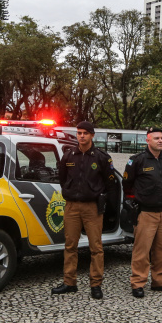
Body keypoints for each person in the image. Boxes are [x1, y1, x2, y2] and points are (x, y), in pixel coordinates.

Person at [52, 121, 117, 300]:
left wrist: (107, 206)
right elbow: (62, 178)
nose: (81, 136)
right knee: (70, 245)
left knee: (96, 247)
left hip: (92, 207)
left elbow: (110, 183)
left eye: (85, 133)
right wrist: (68, 192)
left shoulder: (102, 158)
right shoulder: (69, 155)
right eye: (79, 133)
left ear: (92, 135)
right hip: (72, 206)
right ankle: (69, 282)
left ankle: (96, 284)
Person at [123, 127, 162, 298]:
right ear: (147, 140)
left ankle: (159, 281)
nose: (160, 141)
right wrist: (134, 204)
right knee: (142, 250)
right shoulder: (137, 161)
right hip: (146, 212)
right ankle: (138, 283)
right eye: (156, 138)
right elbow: (127, 185)